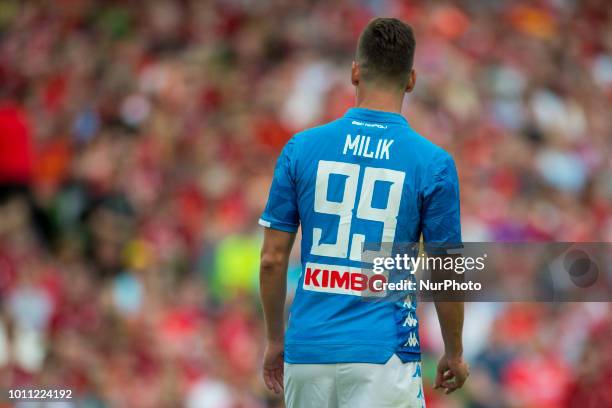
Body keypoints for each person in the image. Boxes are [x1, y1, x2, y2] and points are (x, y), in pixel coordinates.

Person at [258, 18, 468, 407]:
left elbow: (272, 260)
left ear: (355, 72)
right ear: (411, 80)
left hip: (307, 352)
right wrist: (453, 351)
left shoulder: (301, 148)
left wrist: (275, 340)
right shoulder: (433, 163)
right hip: (383, 354)